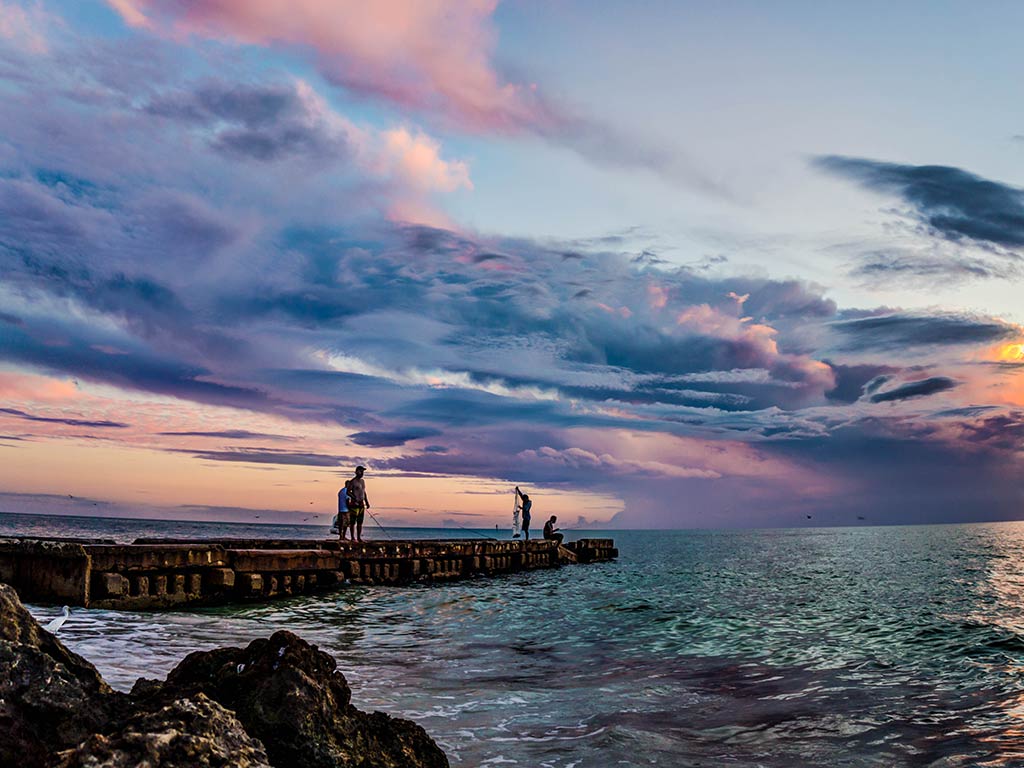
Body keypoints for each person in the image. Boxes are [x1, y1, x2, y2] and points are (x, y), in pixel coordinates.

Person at [348, 465, 370, 542]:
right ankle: (352, 538)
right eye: (361, 471)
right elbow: (348, 492)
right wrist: (354, 498)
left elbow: (364, 492)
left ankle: (359, 537)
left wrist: (367, 502)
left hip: (361, 504)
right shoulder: (352, 481)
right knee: (352, 522)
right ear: (357, 472)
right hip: (354, 504)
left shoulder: (363, 481)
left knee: (360, 522)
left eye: (363, 472)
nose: (362, 473)